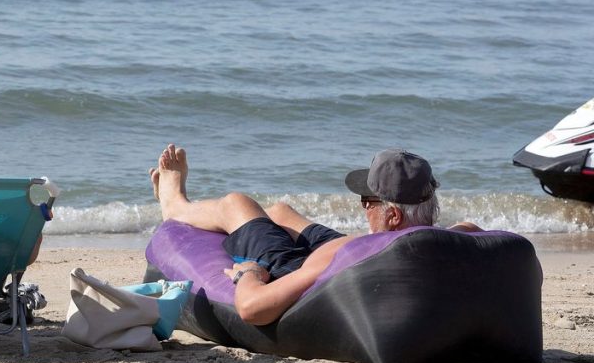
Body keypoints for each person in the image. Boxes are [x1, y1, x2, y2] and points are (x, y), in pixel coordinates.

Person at [150, 144, 480, 326]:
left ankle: (175, 206)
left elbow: (253, 309)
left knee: (237, 204)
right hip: (378, 246)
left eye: (368, 201)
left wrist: (249, 274)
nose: (363, 207)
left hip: (298, 267)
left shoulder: (345, 255)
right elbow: (478, 233)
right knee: (280, 212)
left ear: (392, 215)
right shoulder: (459, 238)